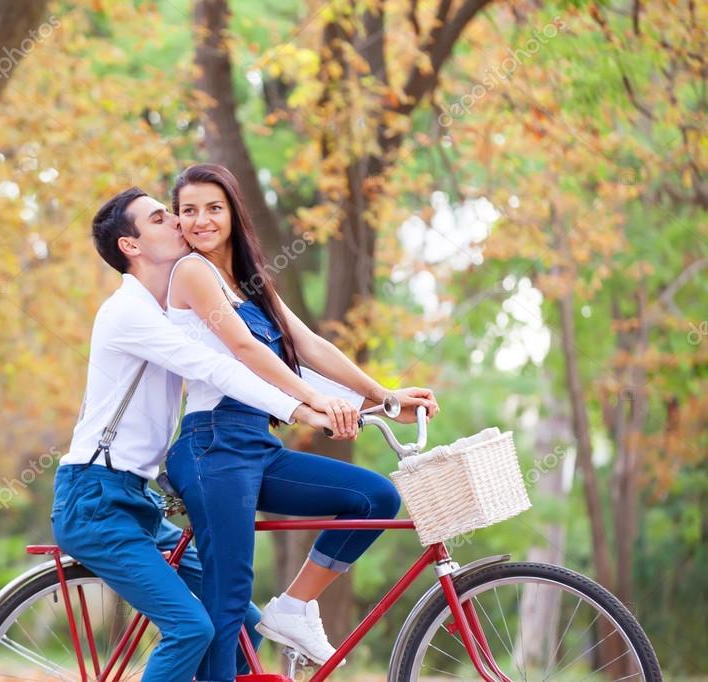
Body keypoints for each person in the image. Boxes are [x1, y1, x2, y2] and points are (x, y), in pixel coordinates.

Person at [51, 187, 357, 682]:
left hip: (137, 499)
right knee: (192, 628)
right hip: (95, 498)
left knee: (245, 627)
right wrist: (303, 409)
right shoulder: (128, 313)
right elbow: (217, 367)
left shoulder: (173, 308)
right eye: (159, 218)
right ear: (131, 246)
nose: (178, 221)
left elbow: (282, 348)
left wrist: (367, 399)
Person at [164, 164, 440, 681]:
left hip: (254, 445)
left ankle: (292, 608)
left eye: (213, 208)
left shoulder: (249, 282)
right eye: (189, 210)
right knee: (227, 602)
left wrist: (382, 395)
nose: (201, 220)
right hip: (212, 446)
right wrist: (313, 401)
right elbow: (242, 349)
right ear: (177, 221)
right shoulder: (192, 272)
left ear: (233, 212)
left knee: (374, 498)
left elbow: (309, 345)